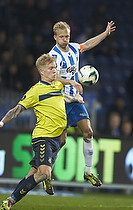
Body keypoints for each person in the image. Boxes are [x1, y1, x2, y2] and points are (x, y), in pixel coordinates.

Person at [0, 53, 82, 210]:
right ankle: (45, 175)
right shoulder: (35, 91)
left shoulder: (57, 85)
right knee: (43, 173)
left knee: (32, 174)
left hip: (57, 137)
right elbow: (17, 109)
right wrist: (1, 123)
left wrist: (75, 97)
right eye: (51, 68)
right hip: (43, 136)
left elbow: (60, 99)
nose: (55, 71)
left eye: (55, 68)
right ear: (42, 71)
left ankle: (9, 201)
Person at [48, 20, 116, 188]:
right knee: (61, 141)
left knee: (88, 132)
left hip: (74, 100)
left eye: (67, 36)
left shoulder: (73, 48)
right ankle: (47, 174)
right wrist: (70, 82)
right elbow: (52, 77)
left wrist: (105, 33)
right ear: (55, 37)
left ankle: (88, 171)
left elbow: (87, 44)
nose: (65, 40)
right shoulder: (53, 56)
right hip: (59, 101)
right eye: (62, 37)